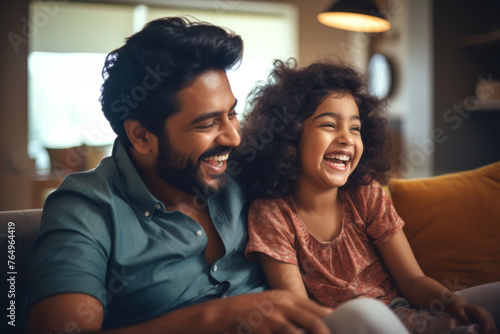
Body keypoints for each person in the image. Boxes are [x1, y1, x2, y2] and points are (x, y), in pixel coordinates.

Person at [25, 17, 409, 334]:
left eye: (231, 113)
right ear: (141, 134)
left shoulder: (250, 166)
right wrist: (217, 317)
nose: (233, 136)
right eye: (207, 123)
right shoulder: (86, 210)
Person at [234, 59, 500, 334]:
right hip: (341, 324)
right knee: (365, 310)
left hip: (405, 313)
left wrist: (454, 305)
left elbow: (412, 280)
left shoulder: (364, 191)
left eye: (355, 128)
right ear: (289, 137)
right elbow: (300, 310)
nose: (347, 139)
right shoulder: (271, 213)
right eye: (328, 125)